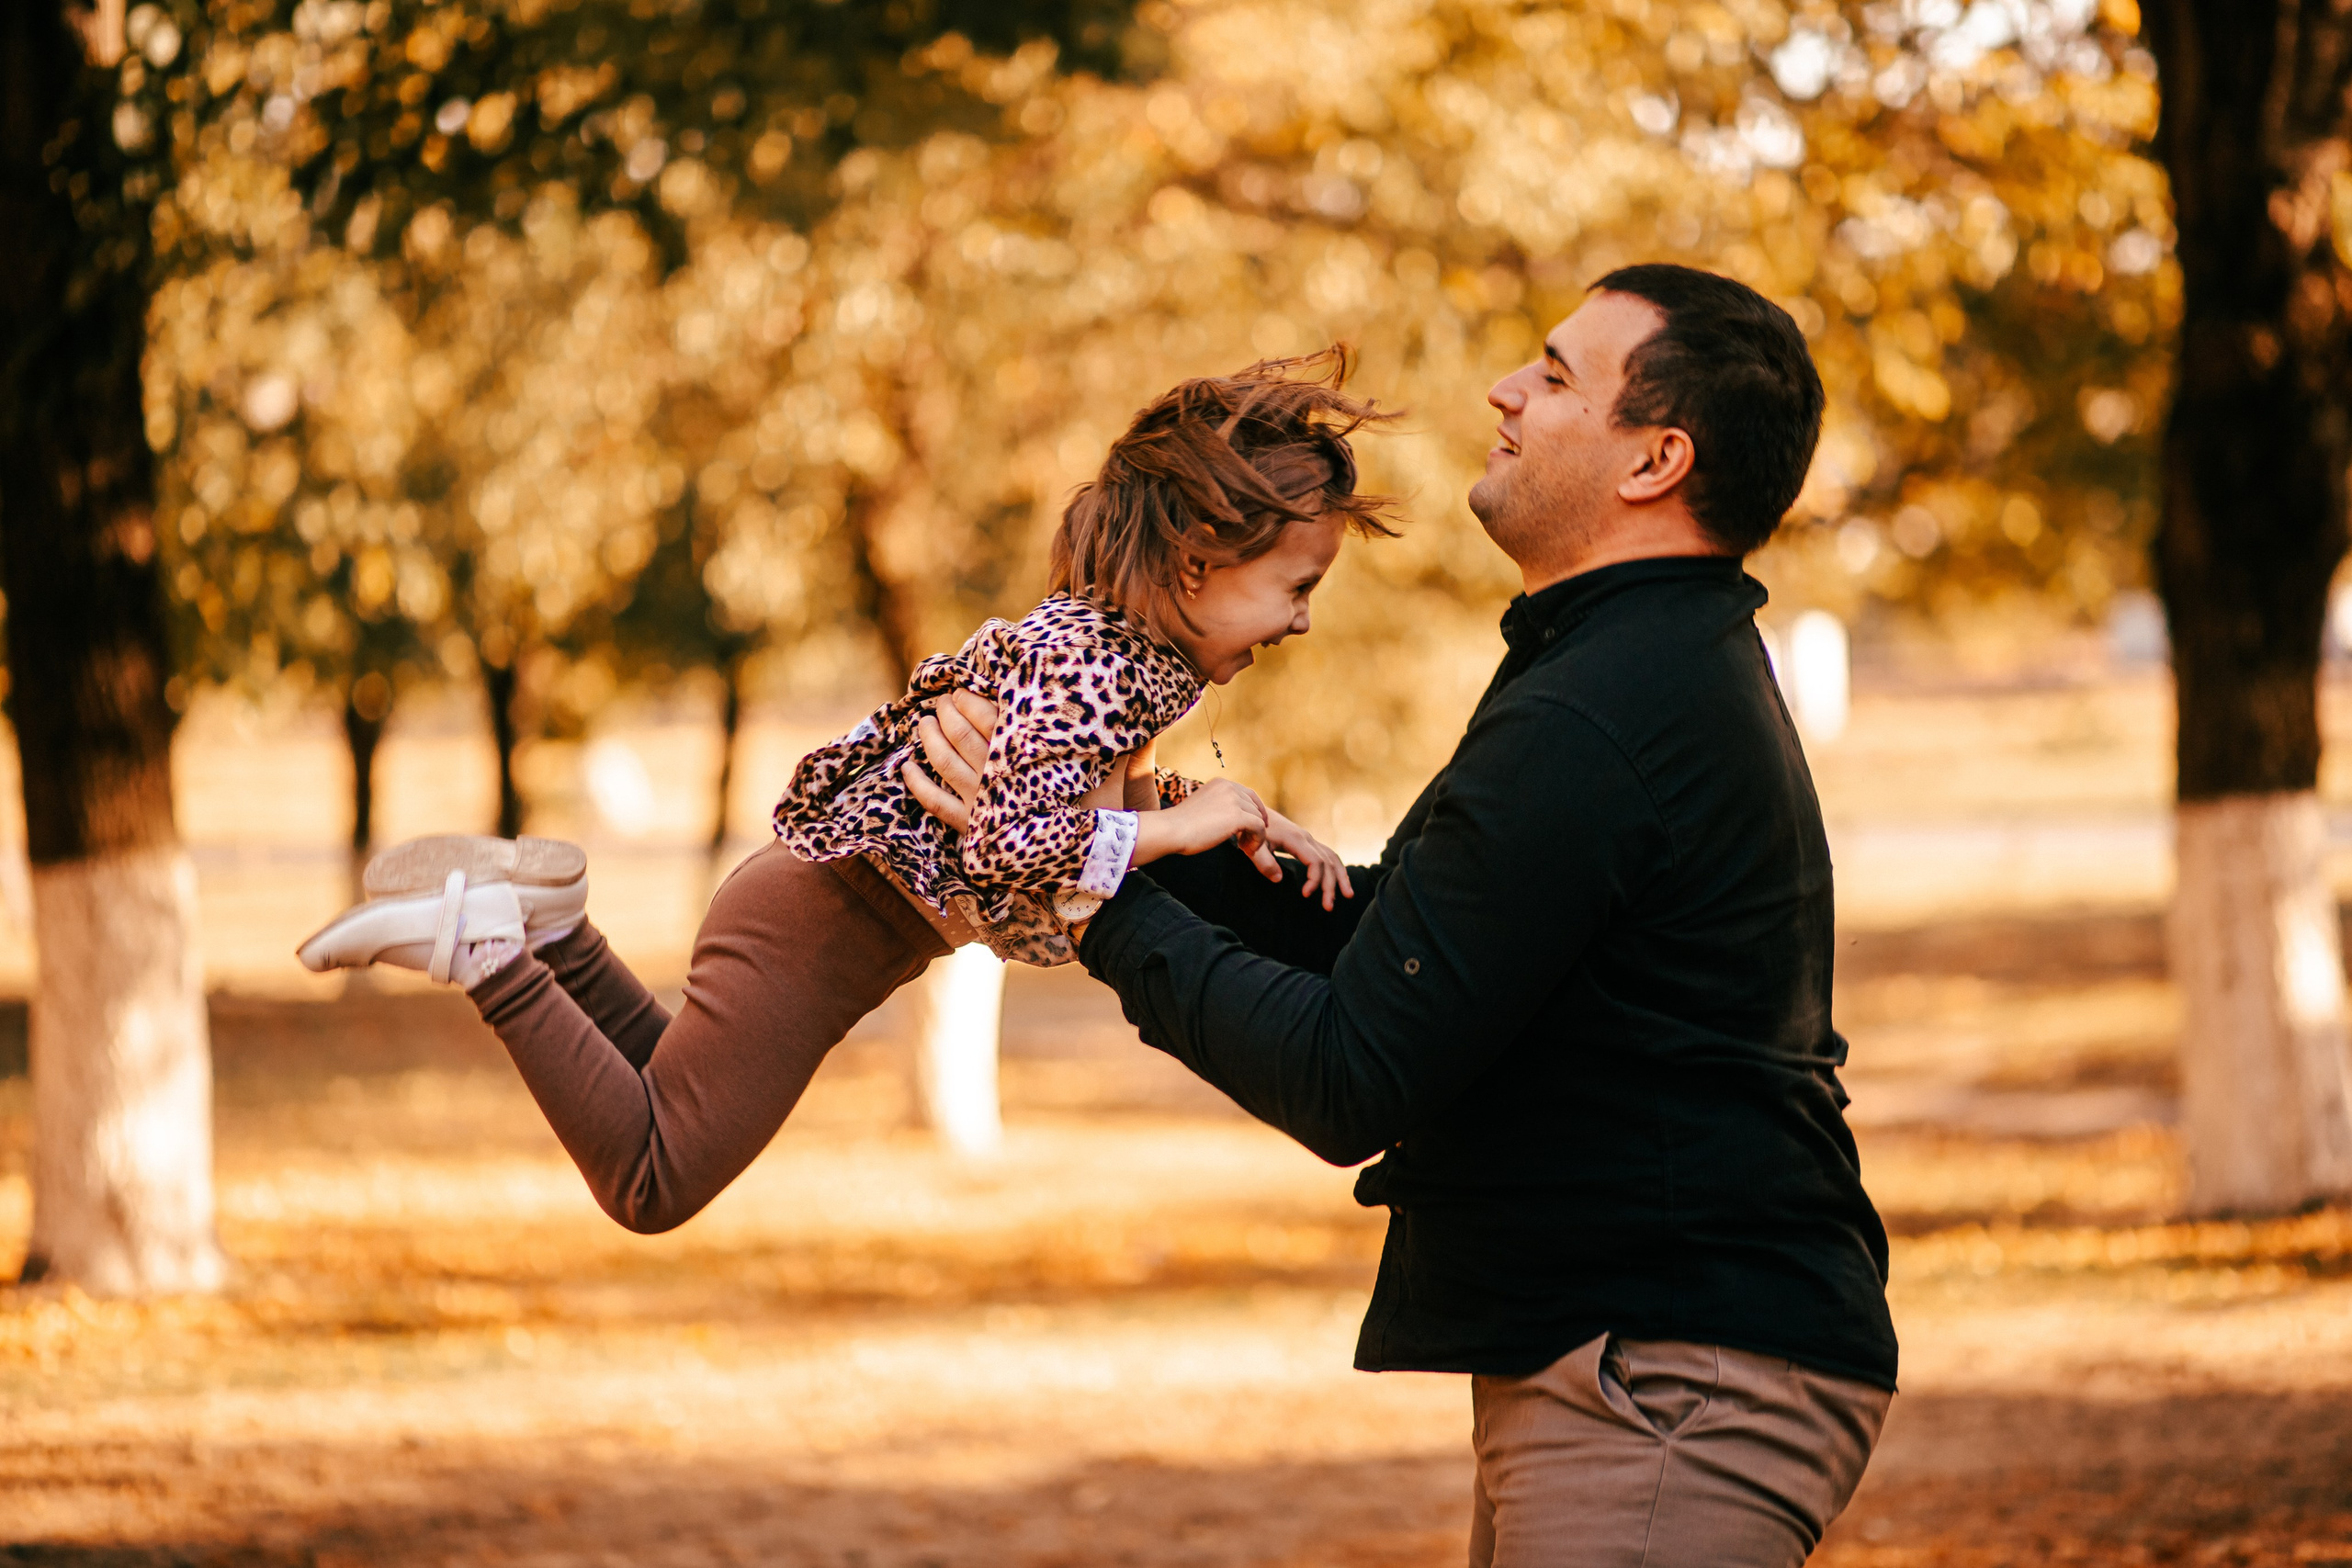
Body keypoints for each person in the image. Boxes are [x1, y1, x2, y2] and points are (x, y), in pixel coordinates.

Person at [904, 265, 1898, 1568]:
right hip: (1638, 1360)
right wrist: (1149, 823)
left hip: (1671, 1378)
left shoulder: (1606, 709)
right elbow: (1428, 958)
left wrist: (1088, 889)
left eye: (1552, 374)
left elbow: (1352, 1068)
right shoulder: (1627, 667)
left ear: (1657, 457)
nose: (1505, 390)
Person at [293, 351, 1391, 1234]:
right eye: (1295, 587)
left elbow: (1068, 798)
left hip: (812, 918)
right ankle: (488, 946)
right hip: (821, 927)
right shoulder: (1100, 662)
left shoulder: (1124, 655)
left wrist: (1240, 816)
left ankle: (560, 933)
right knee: (650, 1182)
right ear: (1199, 559)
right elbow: (1020, 843)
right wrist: (1196, 819)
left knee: (653, 1096)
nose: (1301, 619)